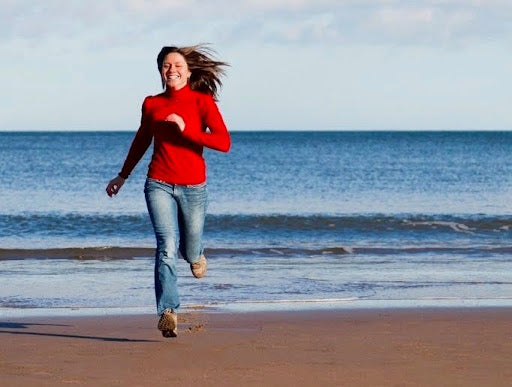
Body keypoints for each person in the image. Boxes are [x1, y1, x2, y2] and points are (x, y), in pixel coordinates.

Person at [106, 45, 230, 338]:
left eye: (176, 65)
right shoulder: (152, 104)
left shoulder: (203, 102)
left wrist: (187, 130)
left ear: (188, 71)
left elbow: (224, 143)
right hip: (158, 182)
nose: (171, 69)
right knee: (166, 245)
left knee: (188, 250)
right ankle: (168, 312)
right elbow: (141, 140)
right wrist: (122, 175)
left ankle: (197, 253)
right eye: (165, 65)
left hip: (194, 186)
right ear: (160, 72)